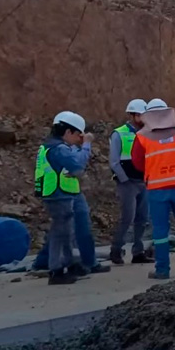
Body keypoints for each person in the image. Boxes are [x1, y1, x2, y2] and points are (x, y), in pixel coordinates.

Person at [34, 111, 111, 284]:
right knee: (60, 233)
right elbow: (77, 166)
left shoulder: (52, 146)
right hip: (58, 195)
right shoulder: (59, 149)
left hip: (59, 194)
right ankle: (56, 270)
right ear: (68, 132)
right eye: (78, 135)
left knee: (65, 232)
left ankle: (67, 264)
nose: (79, 139)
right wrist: (87, 145)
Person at [130, 98, 175, 280]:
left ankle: (162, 269)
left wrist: (156, 167)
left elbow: (137, 163)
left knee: (160, 231)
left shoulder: (142, 136)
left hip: (157, 189)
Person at [109, 99, 152, 265]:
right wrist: (124, 180)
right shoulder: (119, 134)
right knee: (127, 218)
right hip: (127, 183)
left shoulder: (147, 133)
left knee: (142, 218)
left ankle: (138, 252)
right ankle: (116, 250)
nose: (143, 118)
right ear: (133, 115)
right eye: (141, 115)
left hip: (143, 181)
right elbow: (114, 161)